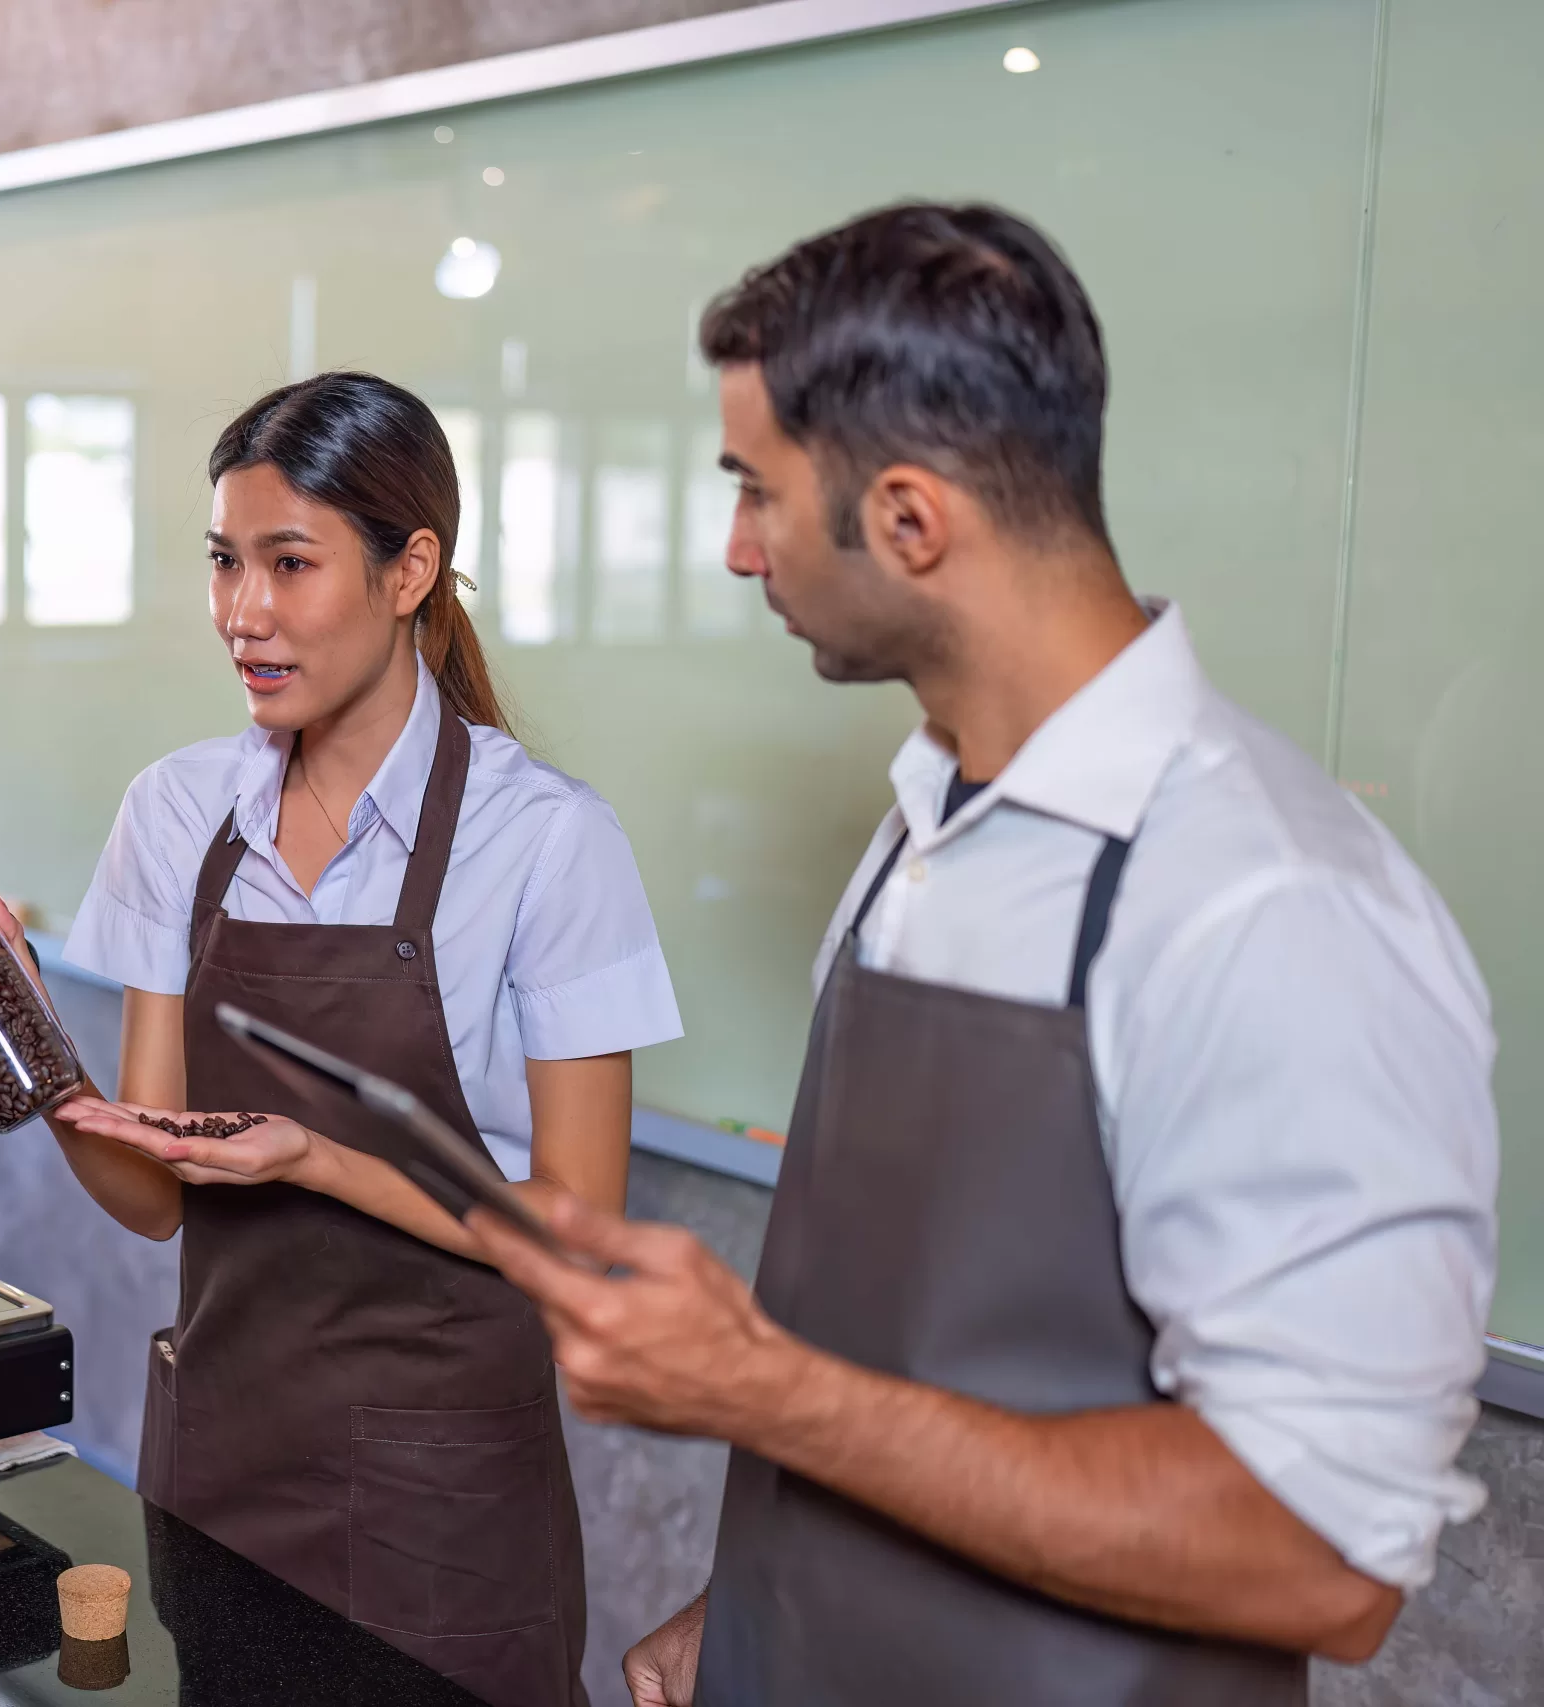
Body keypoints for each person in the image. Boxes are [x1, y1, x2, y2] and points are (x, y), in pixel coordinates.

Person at [471, 203, 1498, 1707]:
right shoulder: (921, 830)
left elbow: (1317, 1555)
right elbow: (930, 1369)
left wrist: (759, 1385)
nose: (738, 546)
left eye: (755, 490)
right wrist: (756, 1598)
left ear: (907, 518)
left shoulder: (1270, 903)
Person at [0, 372, 682, 1707]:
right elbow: (151, 1195)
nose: (242, 612)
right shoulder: (177, 809)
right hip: (221, 1461)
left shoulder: (547, 840)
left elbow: (586, 1237)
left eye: (289, 563)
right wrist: (27, 1057)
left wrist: (320, 1158)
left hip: (446, 1506)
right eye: (223, 562)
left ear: (410, 567)